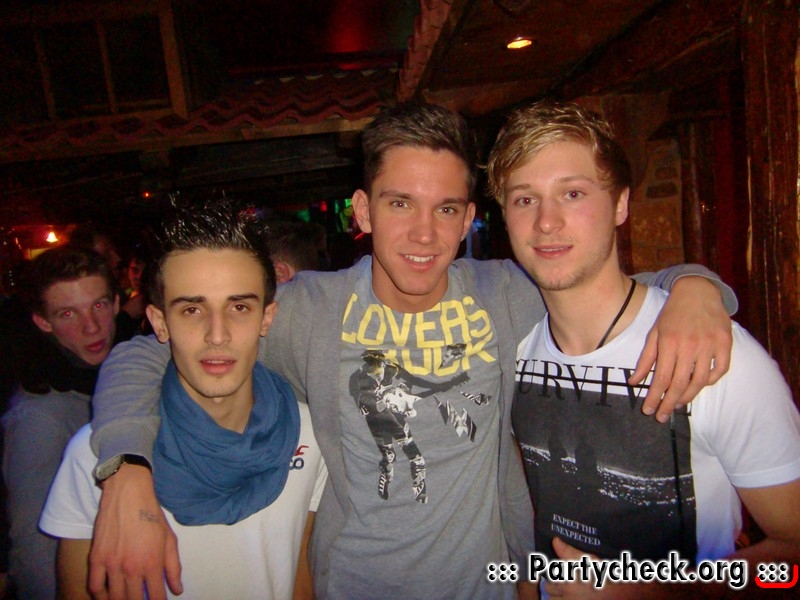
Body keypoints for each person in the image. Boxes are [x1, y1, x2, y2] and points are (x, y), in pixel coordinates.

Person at [85, 103, 736, 600]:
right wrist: (126, 467)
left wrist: (697, 289)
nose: (424, 234)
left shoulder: (507, 294)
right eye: (400, 204)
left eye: (446, 209)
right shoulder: (310, 311)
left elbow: (618, 288)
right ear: (363, 210)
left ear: (468, 217)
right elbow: (151, 351)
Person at [486, 101, 800, 597]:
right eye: (525, 199)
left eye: (572, 193)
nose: (546, 221)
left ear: (620, 205)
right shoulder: (515, 349)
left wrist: (645, 593)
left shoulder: (715, 356)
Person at [39, 201, 327, 599]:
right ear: (160, 323)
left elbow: (297, 576)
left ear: (267, 317)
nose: (217, 334)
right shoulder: (95, 456)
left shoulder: (310, 435)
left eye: (239, 307)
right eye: (192, 309)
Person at [1, 245, 134, 599]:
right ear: (44, 322)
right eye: (67, 313)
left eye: (98, 305)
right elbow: (37, 551)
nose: (91, 326)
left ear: (116, 304)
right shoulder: (40, 417)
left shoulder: (120, 377)